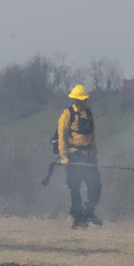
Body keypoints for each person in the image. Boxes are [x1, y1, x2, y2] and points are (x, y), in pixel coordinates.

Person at [54, 84, 103, 228]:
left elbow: (92, 135)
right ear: (74, 100)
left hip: (89, 157)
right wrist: (64, 156)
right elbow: (62, 136)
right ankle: (78, 219)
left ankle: (89, 212)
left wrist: (94, 152)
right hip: (73, 157)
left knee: (95, 186)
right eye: (78, 100)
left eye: (83, 100)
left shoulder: (89, 113)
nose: (81, 103)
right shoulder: (67, 114)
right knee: (75, 188)